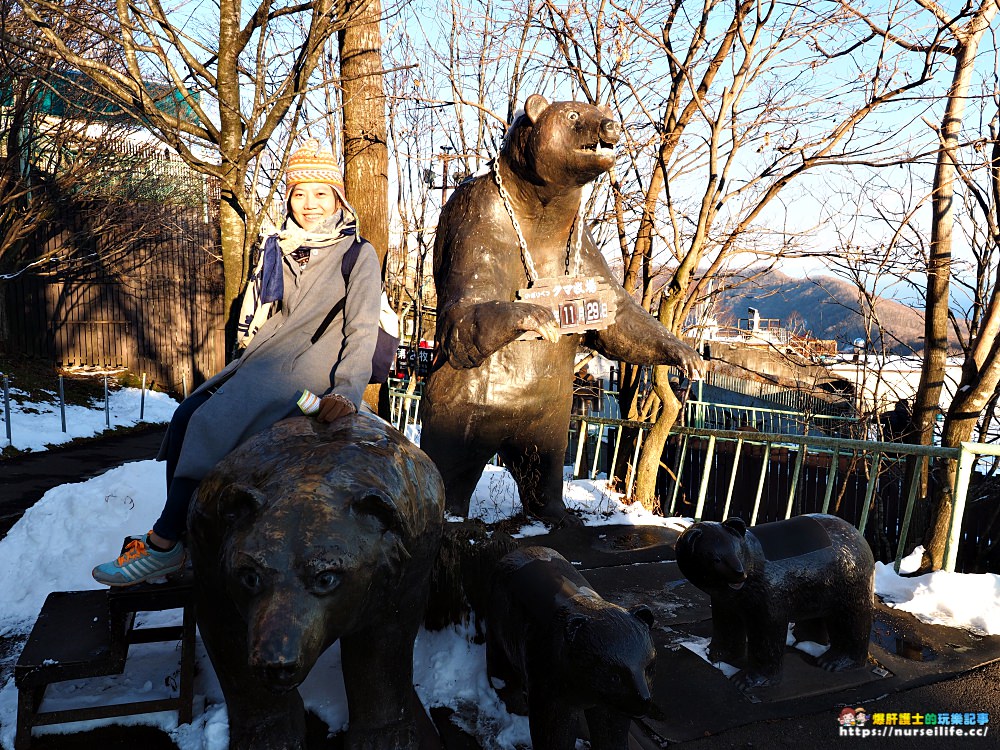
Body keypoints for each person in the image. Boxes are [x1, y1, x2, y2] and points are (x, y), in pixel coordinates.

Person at [92, 139, 381, 586]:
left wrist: (346, 391)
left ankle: (165, 542)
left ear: (338, 197)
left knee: (214, 422)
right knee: (188, 414)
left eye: (321, 192)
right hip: (265, 357)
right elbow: (264, 313)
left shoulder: (358, 254)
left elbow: (361, 329)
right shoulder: (279, 247)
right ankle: (192, 532)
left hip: (309, 370)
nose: (309, 204)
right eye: (299, 193)